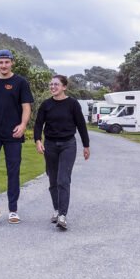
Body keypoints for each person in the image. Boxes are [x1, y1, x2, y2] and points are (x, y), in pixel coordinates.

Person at [0, 49, 34, 226]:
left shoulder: (20, 82)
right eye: (0, 62)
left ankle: (13, 210)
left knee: (13, 170)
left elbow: (26, 107)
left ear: (12, 63)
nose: (4, 65)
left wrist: (23, 125)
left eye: (7, 62)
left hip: (13, 132)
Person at [34, 74, 90, 230]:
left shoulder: (72, 104)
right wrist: (38, 140)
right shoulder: (46, 104)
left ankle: (62, 216)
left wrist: (86, 146)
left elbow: (81, 125)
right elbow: (38, 124)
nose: (52, 87)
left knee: (63, 179)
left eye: (56, 84)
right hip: (50, 145)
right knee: (53, 180)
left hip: (68, 145)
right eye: (51, 84)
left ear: (64, 87)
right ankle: (57, 209)